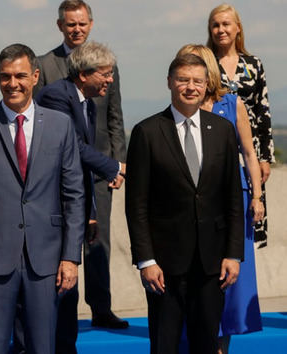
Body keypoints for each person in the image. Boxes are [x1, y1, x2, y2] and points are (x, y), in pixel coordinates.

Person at [0, 43, 85, 354]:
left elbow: (74, 195)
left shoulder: (60, 125)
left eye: (20, 76)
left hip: (47, 259)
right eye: (5, 76)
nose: (13, 83)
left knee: (44, 347)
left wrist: (71, 256)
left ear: (35, 76)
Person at [125, 53, 244, 354]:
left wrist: (233, 254)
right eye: (183, 80)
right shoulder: (147, 132)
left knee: (206, 344)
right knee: (165, 345)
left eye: (197, 81)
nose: (190, 87)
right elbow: (136, 204)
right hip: (164, 267)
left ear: (206, 86)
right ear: (169, 82)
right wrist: (146, 260)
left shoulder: (222, 130)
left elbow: (232, 196)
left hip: (211, 264)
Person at [34, 0, 128, 333]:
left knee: (98, 240)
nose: (77, 29)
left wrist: (118, 163)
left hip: (101, 169)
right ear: (60, 25)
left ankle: (101, 308)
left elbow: (115, 118)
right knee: (67, 240)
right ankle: (63, 314)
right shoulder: (44, 66)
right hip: (65, 171)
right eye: (71, 24)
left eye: (82, 23)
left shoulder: (105, 63)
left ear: (91, 23)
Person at [176, 44, 264, 354]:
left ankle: (219, 347)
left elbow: (250, 154)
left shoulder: (233, 104)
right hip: (192, 206)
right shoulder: (182, 105)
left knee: (231, 282)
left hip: (232, 202)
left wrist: (257, 196)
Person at [207, 4, 274, 247]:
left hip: (250, 149)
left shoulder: (253, 64)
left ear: (238, 28)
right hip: (214, 142)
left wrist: (265, 157)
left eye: (226, 24)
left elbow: (263, 111)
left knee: (250, 211)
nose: (221, 29)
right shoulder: (205, 63)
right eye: (215, 25)